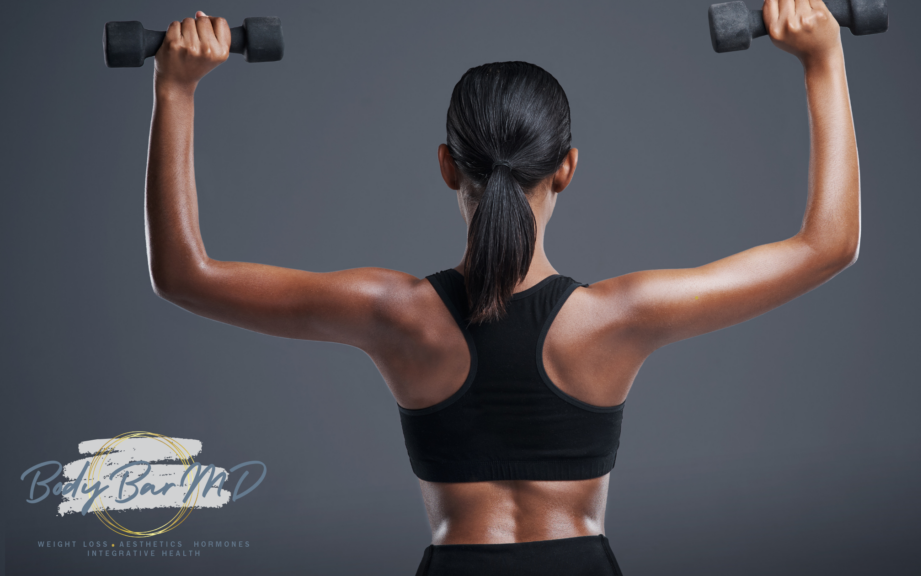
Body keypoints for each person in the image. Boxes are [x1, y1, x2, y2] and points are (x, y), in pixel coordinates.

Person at [145, 2, 860, 574]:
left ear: (448, 168)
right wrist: (822, 59)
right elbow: (828, 246)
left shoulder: (393, 315)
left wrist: (176, 88)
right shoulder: (619, 318)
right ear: (568, 167)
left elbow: (184, 275)